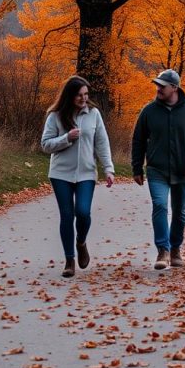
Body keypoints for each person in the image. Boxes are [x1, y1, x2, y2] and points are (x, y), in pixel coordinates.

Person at [131, 69, 185, 270]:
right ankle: (162, 251)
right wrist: (136, 167)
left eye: (162, 85)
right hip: (156, 169)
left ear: (174, 87)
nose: (158, 88)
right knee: (160, 205)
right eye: (157, 84)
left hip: (183, 171)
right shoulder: (149, 111)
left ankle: (175, 249)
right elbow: (138, 139)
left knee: (179, 212)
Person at [41, 75, 115, 278]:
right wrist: (66, 138)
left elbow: (102, 143)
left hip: (86, 173)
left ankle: (81, 242)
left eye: (86, 94)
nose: (83, 99)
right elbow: (45, 144)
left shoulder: (93, 114)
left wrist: (108, 169)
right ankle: (69, 260)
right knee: (67, 215)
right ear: (69, 96)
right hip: (60, 173)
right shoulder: (55, 116)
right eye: (79, 95)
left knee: (82, 212)